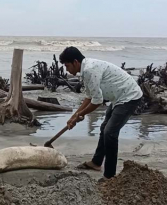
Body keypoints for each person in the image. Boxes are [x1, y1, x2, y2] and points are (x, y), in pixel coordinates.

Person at [59, 46, 143, 182]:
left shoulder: (89, 70)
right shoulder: (85, 71)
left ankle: (109, 176)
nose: (67, 70)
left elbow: (97, 101)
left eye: (67, 65)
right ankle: (97, 163)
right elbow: (89, 96)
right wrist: (75, 115)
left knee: (110, 133)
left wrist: (81, 115)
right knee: (104, 128)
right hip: (118, 97)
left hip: (129, 96)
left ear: (75, 62)